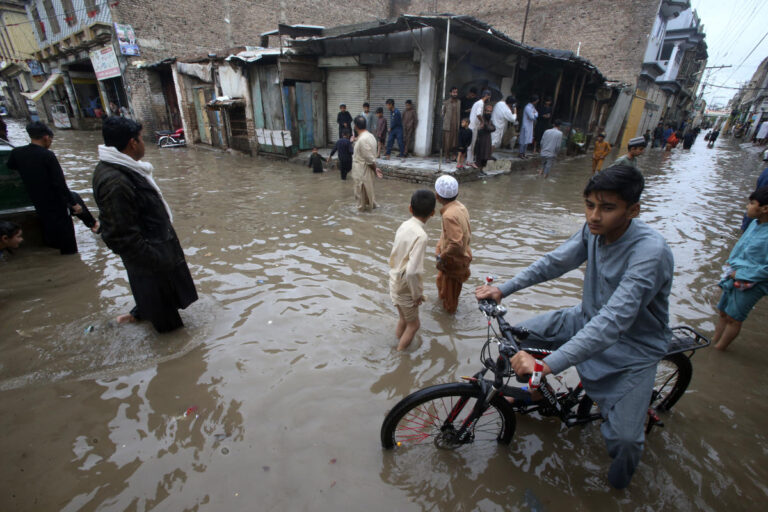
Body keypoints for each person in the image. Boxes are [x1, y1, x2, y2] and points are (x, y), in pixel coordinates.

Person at [475, 164, 674, 489]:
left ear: (633, 210)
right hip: (585, 317)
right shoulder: (592, 231)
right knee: (515, 341)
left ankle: (617, 489)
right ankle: (536, 396)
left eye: (607, 208)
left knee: (625, 441)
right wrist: (504, 288)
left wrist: (546, 364)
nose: (594, 216)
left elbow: (614, 321)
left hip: (633, 347)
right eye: (590, 205)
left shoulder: (649, 253)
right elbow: (554, 262)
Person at [92, 116, 198, 333]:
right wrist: (156, 260)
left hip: (155, 251)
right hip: (151, 260)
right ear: (133, 143)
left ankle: (137, 314)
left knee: (161, 300)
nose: (143, 144)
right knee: (169, 328)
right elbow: (119, 235)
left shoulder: (124, 169)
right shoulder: (116, 181)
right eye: (141, 139)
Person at [7, 121, 83, 254]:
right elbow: (59, 183)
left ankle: (54, 248)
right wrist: (73, 203)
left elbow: (10, 166)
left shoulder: (17, 153)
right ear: (46, 137)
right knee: (66, 233)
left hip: (36, 198)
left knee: (48, 225)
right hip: (55, 200)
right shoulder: (47, 155)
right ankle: (70, 253)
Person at [712, 186, 768, 351]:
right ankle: (713, 341)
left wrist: (743, 273)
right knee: (723, 311)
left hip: (751, 282)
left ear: (765, 209)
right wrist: (729, 268)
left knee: (734, 318)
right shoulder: (754, 224)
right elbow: (740, 247)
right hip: (733, 275)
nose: (747, 206)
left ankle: (719, 349)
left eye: (752, 203)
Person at [389, 189, 436, 351]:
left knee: (403, 319)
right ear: (433, 213)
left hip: (394, 279)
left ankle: (396, 343)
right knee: (414, 325)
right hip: (405, 286)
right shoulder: (421, 236)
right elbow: (413, 272)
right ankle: (399, 356)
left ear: (410, 208)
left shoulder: (404, 225)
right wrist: (417, 295)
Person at [434, 175, 472, 314]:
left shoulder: (448, 215)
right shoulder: (460, 207)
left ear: (438, 195)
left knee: (450, 301)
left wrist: (441, 257)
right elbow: (448, 235)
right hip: (452, 257)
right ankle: (441, 310)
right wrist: (439, 247)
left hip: (454, 260)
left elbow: (456, 243)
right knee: (441, 285)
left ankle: (448, 322)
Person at [350, 115, 382, 211]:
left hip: (362, 172)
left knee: (360, 200)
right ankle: (372, 210)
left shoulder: (363, 140)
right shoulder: (370, 136)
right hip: (366, 170)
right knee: (368, 194)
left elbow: (369, 159)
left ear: (355, 126)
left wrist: (375, 169)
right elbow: (369, 156)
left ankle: (360, 220)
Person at [467, 89, 491, 168]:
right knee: (472, 144)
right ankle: (470, 161)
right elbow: (478, 114)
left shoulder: (477, 103)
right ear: (486, 96)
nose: (489, 99)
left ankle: (469, 160)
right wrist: (482, 122)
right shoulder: (480, 103)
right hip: (474, 126)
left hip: (472, 125)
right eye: (489, 97)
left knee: (471, 144)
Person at [474, 103, 496, 170]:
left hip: (488, 140)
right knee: (480, 157)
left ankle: (482, 170)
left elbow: (494, 128)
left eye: (490, 111)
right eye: (487, 111)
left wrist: (489, 127)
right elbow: (488, 128)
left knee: (485, 158)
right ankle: (479, 171)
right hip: (481, 141)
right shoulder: (482, 120)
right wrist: (488, 126)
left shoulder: (490, 120)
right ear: (484, 111)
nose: (489, 113)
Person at [442, 86, 461, 160]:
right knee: (447, 141)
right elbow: (442, 114)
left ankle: (453, 156)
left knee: (455, 141)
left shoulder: (459, 102)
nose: (455, 94)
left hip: (456, 125)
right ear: (450, 93)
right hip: (448, 125)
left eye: (456, 92)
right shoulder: (446, 102)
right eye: (453, 92)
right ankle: (447, 156)